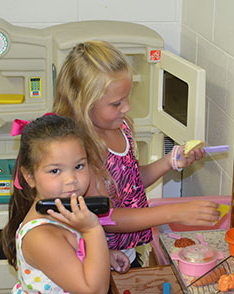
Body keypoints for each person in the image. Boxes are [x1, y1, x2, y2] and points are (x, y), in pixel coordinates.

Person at [53, 41, 221, 267]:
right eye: (116, 103)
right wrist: (174, 212)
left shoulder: (121, 127)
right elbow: (107, 217)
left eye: (128, 97)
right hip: (95, 259)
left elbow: (128, 182)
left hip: (126, 250)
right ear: (83, 104)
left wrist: (169, 161)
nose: (127, 108)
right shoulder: (82, 150)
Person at [1, 114, 130, 294]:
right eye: (55, 170)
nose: (71, 180)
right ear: (29, 176)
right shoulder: (41, 237)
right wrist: (92, 230)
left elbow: (70, 256)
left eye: (79, 166)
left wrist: (100, 257)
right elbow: (95, 290)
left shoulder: (64, 211)